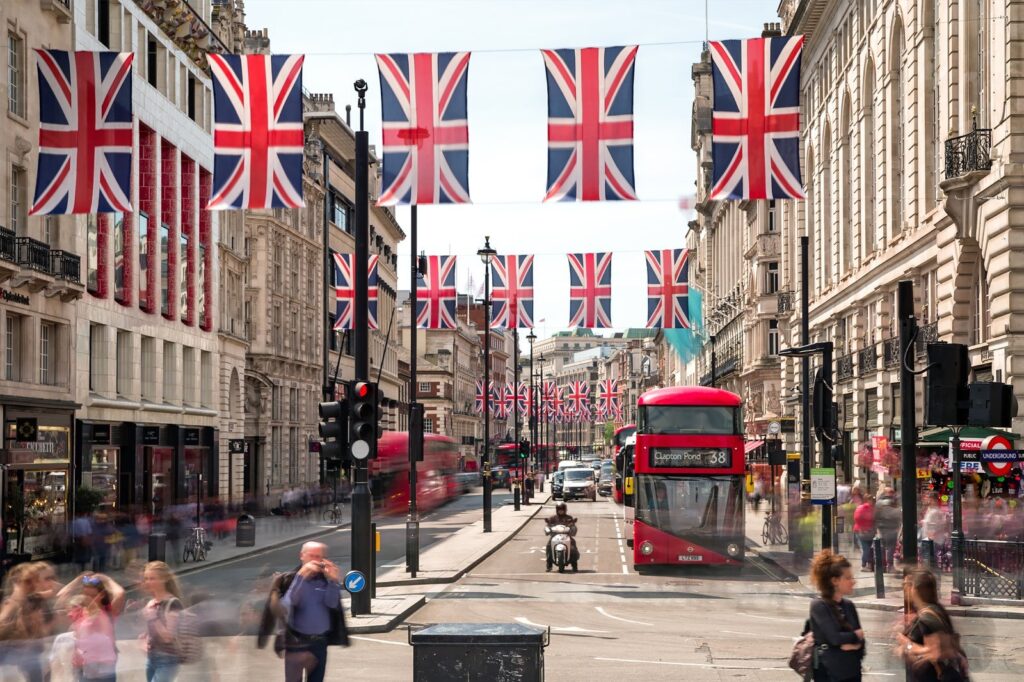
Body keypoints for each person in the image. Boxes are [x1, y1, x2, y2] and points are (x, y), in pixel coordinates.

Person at [257, 541, 349, 682]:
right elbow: (288, 604)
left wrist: (333, 581)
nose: (314, 560)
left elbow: (331, 603)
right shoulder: (289, 578)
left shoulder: (325, 579)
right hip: (296, 643)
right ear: (302, 556)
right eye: (311, 555)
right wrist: (301, 577)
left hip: (319, 642)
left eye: (318, 556)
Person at [894, 569, 968, 681]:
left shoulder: (925, 618)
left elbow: (934, 651)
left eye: (909, 585)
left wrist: (907, 645)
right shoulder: (937, 610)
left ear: (916, 590)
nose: (906, 588)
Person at [806, 550, 865, 681]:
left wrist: (853, 643)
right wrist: (855, 637)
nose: (853, 582)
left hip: (852, 672)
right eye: (848, 578)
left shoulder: (849, 605)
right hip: (829, 673)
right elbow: (834, 638)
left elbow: (862, 643)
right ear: (835, 581)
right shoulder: (819, 606)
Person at [0, 562, 59, 682]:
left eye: (35, 580)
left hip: (33, 658)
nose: (33, 585)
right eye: (28, 581)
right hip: (14, 662)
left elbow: (41, 632)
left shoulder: (33, 601)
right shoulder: (10, 605)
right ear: (16, 581)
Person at [140, 561, 185, 682]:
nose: (148, 582)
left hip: (167, 659)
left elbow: (168, 637)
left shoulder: (173, 603)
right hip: (152, 658)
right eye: (146, 578)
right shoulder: (151, 603)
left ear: (164, 579)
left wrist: (154, 618)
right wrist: (145, 640)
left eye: (152, 578)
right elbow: (151, 633)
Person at [67, 593, 117, 682]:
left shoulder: (90, 621)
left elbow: (86, 644)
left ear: (83, 608)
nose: (69, 614)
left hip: (96, 670)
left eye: (74, 609)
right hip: (96, 669)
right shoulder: (85, 621)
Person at [544, 502, 579, 572]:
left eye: (562, 509)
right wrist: (548, 529)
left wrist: (573, 528)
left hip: (566, 535)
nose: (561, 511)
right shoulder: (553, 518)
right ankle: (549, 565)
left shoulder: (569, 518)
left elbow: (572, 525)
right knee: (548, 546)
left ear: (565, 510)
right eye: (559, 509)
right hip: (555, 536)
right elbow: (548, 525)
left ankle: (574, 565)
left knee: (573, 546)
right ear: (557, 510)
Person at [853, 495, 876, 572]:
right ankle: (864, 565)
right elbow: (858, 518)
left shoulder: (867, 508)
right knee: (866, 549)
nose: (872, 501)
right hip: (863, 531)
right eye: (871, 500)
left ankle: (867, 564)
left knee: (868, 549)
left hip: (865, 531)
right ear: (867, 500)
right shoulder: (864, 508)